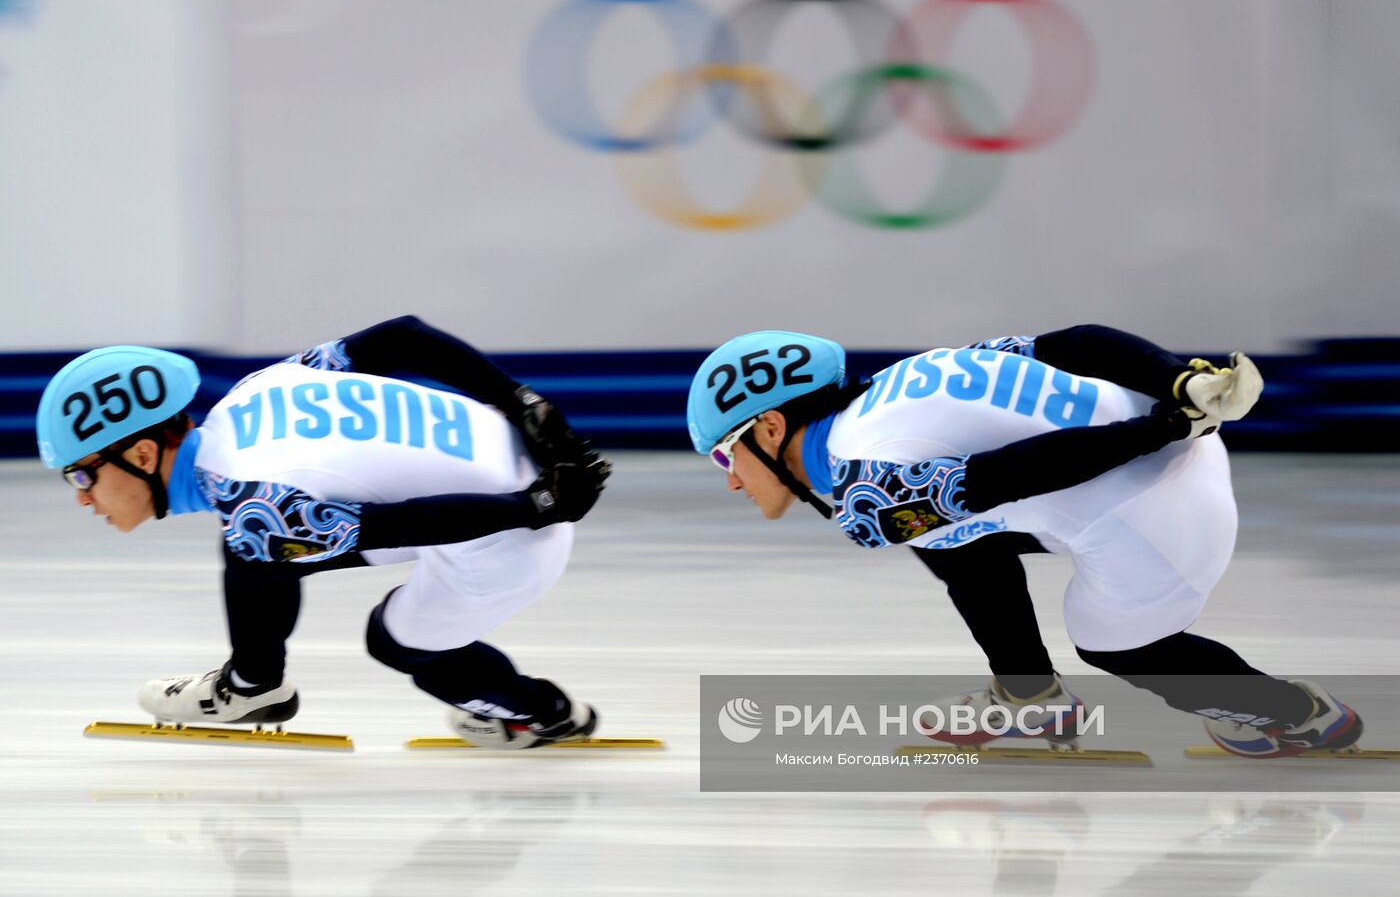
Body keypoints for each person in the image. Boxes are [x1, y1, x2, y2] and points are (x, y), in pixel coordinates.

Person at [685, 324, 1362, 757]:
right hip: (1170, 459)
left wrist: (1162, 430)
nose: (733, 484)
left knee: (1108, 639)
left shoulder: (865, 486)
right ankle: (1029, 697)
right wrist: (1178, 387)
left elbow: (1020, 471)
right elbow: (1078, 344)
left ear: (770, 428)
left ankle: (1294, 712)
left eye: (724, 459)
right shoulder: (903, 377)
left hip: (1155, 515)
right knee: (940, 525)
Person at [36, 316, 611, 749]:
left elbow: (408, 522)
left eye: (82, 473)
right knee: (258, 547)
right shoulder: (256, 390)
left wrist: (534, 507)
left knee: (392, 639)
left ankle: (545, 713)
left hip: (510, 533)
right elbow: (405, 337)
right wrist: (524, 400)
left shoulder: (251, 500)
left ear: (140, 452)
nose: (83, 496)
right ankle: (254, 682)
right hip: (523, 457)